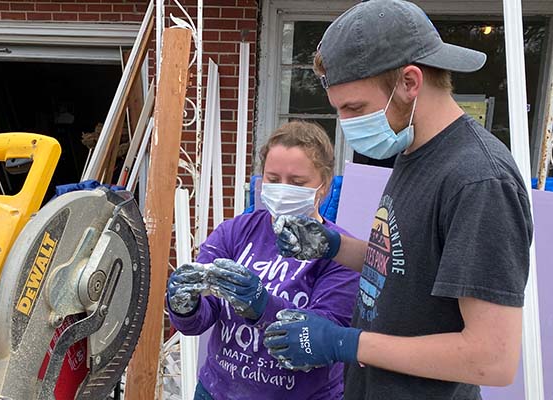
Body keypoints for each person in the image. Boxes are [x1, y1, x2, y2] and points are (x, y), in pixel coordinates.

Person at [262, 1, 534, 399]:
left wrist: (345, 343)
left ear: (409, 82)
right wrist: (335, 246)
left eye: (355, 107)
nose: (348, 123)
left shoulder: (479, 181)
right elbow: (408, 267)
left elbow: (491, 357)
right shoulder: (415, 150)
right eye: (339, 110)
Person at [166, 121, 361, 400]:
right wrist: (184, 306)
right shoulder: (236, 232)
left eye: (297, 182)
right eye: (273, 178)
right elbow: (198, 322)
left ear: (324, 185)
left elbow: (319, 342)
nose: (283, 189)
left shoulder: (338, 252)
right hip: (218, 390)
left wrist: (261, 305)